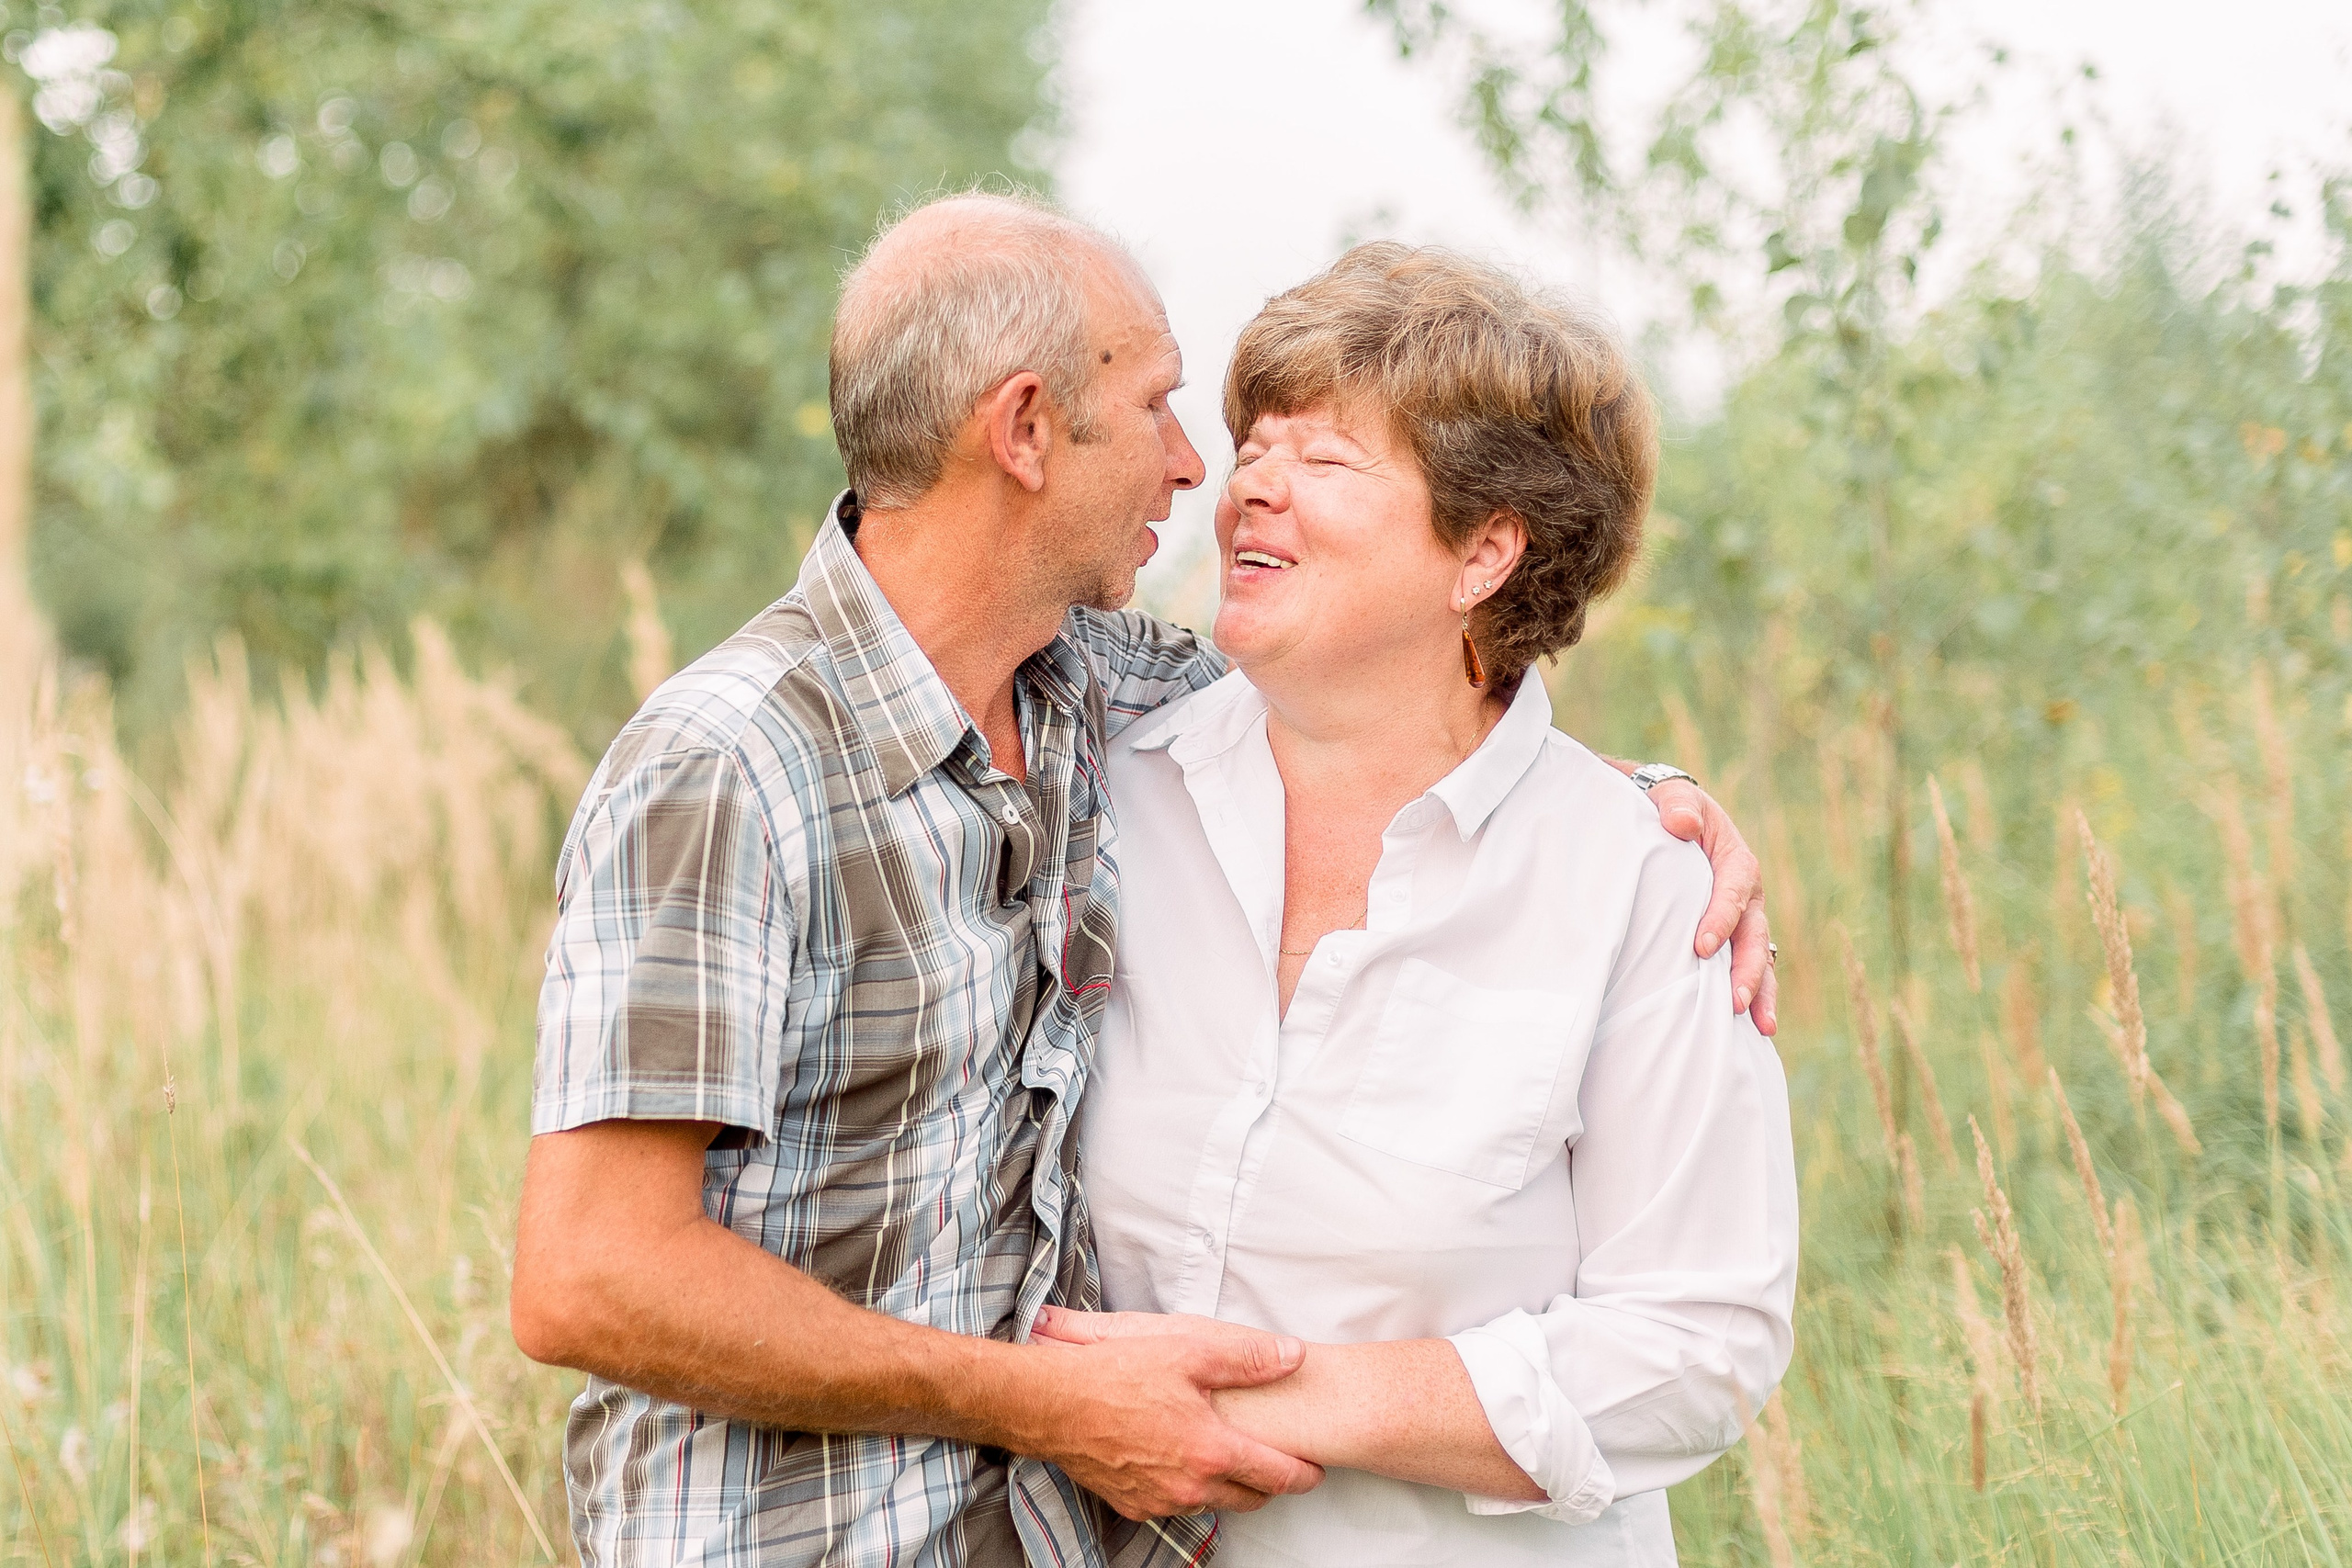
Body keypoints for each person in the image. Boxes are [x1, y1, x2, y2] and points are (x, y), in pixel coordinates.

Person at [510, 192, 1779, 1567]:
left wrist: (1633, 807)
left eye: (1317, 455)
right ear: (1026, 431)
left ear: (1487, 548)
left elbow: (1396, 713)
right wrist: (1053, 1403)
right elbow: (588, 1276)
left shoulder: (1099, 704)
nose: (1207, 473)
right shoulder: (793, 763)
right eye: (1191, 418)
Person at [1046, 244, 1800, 1567]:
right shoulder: (1103, 789)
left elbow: (1700, 1346)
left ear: (1486, 552)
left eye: (1326, 459)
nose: (1250, 485)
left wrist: (1264, 1409)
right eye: (1254, 444)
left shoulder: (1637, 884)